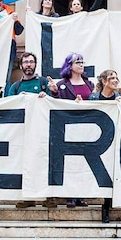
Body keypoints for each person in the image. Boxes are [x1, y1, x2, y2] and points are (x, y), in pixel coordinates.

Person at [7, 53, 58, 210]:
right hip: (22, 132)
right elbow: (8, 106)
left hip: (43, 131)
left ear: (35, 64)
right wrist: (18, 100)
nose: (28, 65)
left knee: (45, 162)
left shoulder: (43, 83)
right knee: (24, 164)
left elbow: (54, 103)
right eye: (26, 62)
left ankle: (48, 197)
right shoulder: (15, 87)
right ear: (21, 65)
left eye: (31, 62)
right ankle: (27, 197)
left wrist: (52, 93)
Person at [49, 52, 94, 208]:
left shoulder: (89, 84)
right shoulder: (62, 84)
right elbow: (56, 105)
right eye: (77, 62)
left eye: (82, 62)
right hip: (68, 127)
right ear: (70, 66)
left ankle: (81, 194)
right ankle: (70, 195)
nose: (81, 65)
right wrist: (54, 92)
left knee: (84, 162)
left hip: (87, 126)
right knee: (70, 162)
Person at [87, 69, 121, 223]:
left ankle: (107, 206)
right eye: (111, 78)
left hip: (114, 139)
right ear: (104, 81)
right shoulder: (93, 97)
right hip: (98, 139)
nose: (115, 80)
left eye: (116, 77)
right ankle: (105, 206)